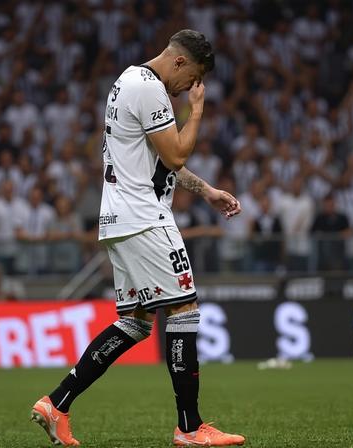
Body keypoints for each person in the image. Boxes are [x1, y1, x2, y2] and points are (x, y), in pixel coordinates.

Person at [31, 30, 245, 447]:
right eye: (193, 77)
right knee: (184, 310)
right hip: (145, 218)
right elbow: (176, 154)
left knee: (135, 323)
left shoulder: (128, 82)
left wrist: (207, 191)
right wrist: (197, 113)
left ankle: (57, 403)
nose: (191, 88)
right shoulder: (149, 89)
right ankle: (190, 428)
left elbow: (160, 162)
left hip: (119, 219)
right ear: (180, 61)